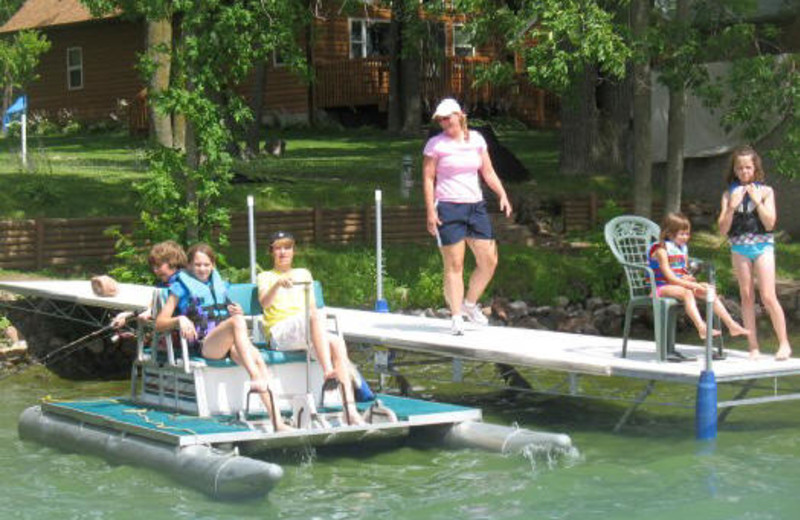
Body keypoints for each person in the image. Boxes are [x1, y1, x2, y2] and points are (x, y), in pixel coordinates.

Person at [155, 243, 290, 431]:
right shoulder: (179, 287)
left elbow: (226, 312)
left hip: (228, 343)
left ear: (213, 265)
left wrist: (239, 310)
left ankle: (278, 422)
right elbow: (159, 322)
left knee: (257, 359)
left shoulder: (219, 284)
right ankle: (254, 378)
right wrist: (180, 318)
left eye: (206, 265)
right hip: (206, 346)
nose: (202, 269)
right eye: (197, 265)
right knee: (237, 322)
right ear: (189, 266)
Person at [422, 98, 512, 335]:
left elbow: (488, 171)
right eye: (440, 120)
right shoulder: (435, 145)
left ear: (460, 115)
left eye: (448, 118)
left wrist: (502, 193)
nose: (444, 123)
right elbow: (428, 178)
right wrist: (431, 210)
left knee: (489, 259)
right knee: (455, 264)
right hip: (448, 207)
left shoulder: (477, 140)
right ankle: (456, 316)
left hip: (475, 207)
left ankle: (469, 305)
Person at [257, 231, 365, 425]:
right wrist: (277, 285)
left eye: (287, 247)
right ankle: (328, 371)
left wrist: (318, 329)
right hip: (279, 333)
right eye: (278, 248)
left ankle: (350, 409)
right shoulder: (265, 276)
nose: (283, 252)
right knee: (314, 318)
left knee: (337, 343)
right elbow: (264, 303)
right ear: (271, 251)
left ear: (293, 251)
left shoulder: (303, 273)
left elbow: (313, 309)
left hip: (305, 329)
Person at [718, 145, 792, 361]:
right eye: (739, 168)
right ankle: (753, 347)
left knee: (768, 295)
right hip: (739, 247)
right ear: (734, 170)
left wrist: (757, 200)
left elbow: (770, 223)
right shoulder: (728, 194)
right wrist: (731, 207)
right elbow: (723, 230)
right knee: (747, 295)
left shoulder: (767, 191)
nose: (744, 172)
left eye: (748, 168)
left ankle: (784, 344)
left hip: (763, 246)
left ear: (755, 168)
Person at [649, 213, 749, 352]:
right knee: (687, 292)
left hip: (679, 285)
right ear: (669, 234)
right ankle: (701, 327)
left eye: (687, 234)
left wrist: (690, 279)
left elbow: (682, 272)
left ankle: (731, 325)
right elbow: (670, 277)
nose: (686, 237)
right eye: (681, 234)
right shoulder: (661, 251)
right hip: (660, 288)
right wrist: (693, 285)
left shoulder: (681, 248)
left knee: (709, 290)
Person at [110, 240, 187, 328]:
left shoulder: (182, 281)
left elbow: (165, 299)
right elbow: (152, 304)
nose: (155, 270)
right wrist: (127, 316)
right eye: (153, 267)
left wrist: (150, 311)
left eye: (158, 266)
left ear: (173, 262)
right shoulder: (164, 284)